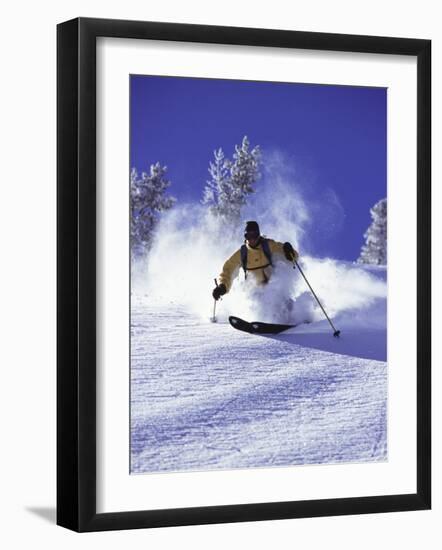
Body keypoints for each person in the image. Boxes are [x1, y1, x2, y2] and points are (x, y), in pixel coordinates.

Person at [212, 220, 299, 300]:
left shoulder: (268, 246)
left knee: (280, 300)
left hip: (274, 289)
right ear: (245, 237)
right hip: (255, 294)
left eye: (254, 235)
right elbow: (228, 270)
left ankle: (296, 314)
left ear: (258, 234)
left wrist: (289, 252)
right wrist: (222, 287)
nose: (252, 239)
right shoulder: (242, 253)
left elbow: (291, 255)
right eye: (248, 236)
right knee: (257, 302)